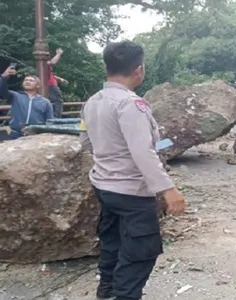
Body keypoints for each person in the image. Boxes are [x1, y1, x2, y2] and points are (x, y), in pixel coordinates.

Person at [79, 41, 186, 300]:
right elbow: (142, 152)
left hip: (104, 185)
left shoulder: (92, 102)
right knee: (140, 252)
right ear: (139, 70)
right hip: (132, 192)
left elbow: (85, 141)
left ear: (107, 67)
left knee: (112, 241)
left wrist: (111, 159)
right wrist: (168, 189)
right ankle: (125, 295)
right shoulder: (131, 104)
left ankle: (106, 290)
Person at [0, 66, 53, 139]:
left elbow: (50, 121)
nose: (28, 81)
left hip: (36, 135)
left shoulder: (45, 102)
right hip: (16, 134)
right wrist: (3, 77)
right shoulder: (15, 96)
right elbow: (2, 91)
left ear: (38, 85)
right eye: (26, 80)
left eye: (31, 80)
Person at [47, 48, 67, 117]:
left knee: (52, 101)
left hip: (51, 85)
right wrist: (58, 54)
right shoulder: (44, 63)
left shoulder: (45, 66)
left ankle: (54, 116)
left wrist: (60, 79)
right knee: (57, 101)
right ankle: (57, 117)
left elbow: (50, 75)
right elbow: (53, 62)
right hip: (51, 86)